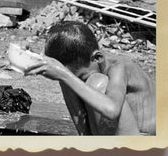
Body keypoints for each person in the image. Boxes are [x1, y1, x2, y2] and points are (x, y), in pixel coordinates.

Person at [25, 21, 155, 135]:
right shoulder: (80, 69)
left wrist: (64, 74)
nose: (81, 81)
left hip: (144, 138)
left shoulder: (118, 67)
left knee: (96, 82)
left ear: (97, 58)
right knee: (67, 81)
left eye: (82, 76)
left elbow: (112, 110)